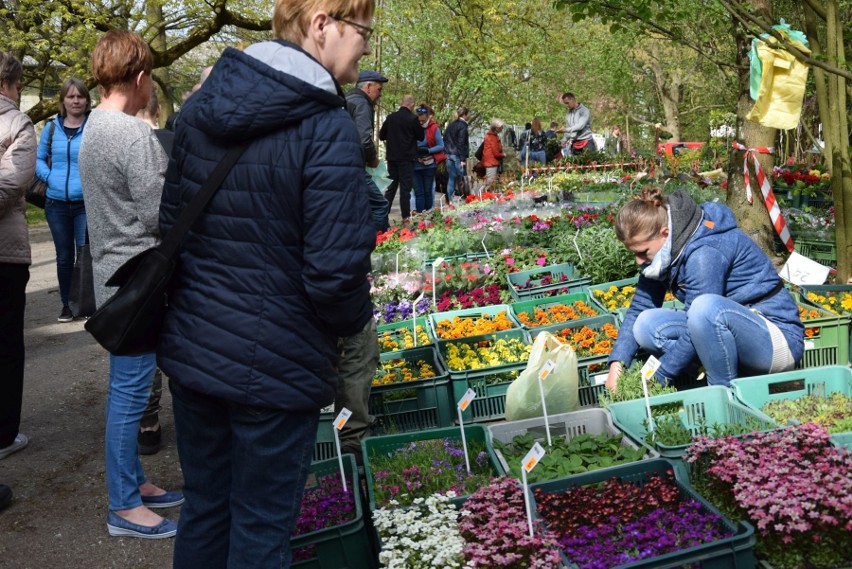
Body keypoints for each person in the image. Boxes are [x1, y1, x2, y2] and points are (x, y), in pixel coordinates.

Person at [156, 0, 377, 564]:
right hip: (276, 367)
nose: (367, 46)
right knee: (259, 527)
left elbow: (170, 227)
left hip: (196, 351)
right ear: (321, 24)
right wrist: (351, 327)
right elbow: (334, 274)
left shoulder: (200, 105)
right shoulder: (325, 126)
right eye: (362, 31)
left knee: (205, 507)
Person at [78, 29, 182, 540]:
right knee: (131, 394)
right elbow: (161, 213)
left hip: (112, 275)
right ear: (140, 78)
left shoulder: (93, 126)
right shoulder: (133, 133)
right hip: (137, 279)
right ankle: (123, 505)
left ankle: (134, 483)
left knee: (130, 388)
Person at [604, 186, 804, 390]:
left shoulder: (704, 252)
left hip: (777, 341)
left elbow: (700, 318)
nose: (638, 261)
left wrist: (658, 378)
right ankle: (723, 369)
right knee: (645, 324)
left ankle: (723, 393)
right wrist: (616, 366)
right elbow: (641, 306)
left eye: (642, 252)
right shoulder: (666, 249)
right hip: (729, 330)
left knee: (702, 309)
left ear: (665, 234)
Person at [0, 51, 37, 465]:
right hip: (5, 255)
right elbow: (12, 184)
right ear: (11, 84)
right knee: (7, 344)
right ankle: (3, 433)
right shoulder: (17, 121)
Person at [134, 87, 174, 456]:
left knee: (144, 340)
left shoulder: (114, 145)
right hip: (170, 253)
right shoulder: (169, 143)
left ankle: (148, 420)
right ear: (159, 111)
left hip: (132, 260)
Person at [35, 78, 90, 323]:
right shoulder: (51, 128)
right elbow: (38, 159)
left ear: (87, 101)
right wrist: (51, 179)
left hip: (84, 204)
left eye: (80, 96)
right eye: (71, 96)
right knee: (64, 256)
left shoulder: (92, 127)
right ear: (63, 101)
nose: (76, 101)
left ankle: (87, 303)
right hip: (56, 203)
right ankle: (66, 304)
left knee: (85, 253)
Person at [345, 69, 389, 232]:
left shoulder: (347, 99)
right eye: (379, 90)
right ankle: (379, 248)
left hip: (340, 164)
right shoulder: (363, 104)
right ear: (368, 87)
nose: (380, 95)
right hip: (353, 164)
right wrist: (373, 160)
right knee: (380, 206)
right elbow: (364, 140)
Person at [380, 94, 422, 222]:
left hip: (392, 158)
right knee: (405, 189)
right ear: (412, 104)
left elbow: (381, 135)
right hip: (407, 159)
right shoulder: (413, 119)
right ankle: (405, 217)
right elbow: (421, 136)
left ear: (402, 102)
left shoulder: (391, 118)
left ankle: (382, 216)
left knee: (391, 188)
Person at [412, 104, 445, 212]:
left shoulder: (434, 127)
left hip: (429, 165)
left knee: (427, 191)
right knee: (418, 193)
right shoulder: (413, 127)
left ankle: (428, 215)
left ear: (427, 117)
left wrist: (428, 150)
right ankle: (420, 216)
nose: (421, 123)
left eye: (423, 121)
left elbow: (441, 145)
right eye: (419, 121)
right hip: (415, 165)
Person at [443, 106, 470, 202]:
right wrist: (463, 159)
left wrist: (447, 152)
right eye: (469, 114)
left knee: (451, 178)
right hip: (458, 155)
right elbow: (461, 142)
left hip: (449, 154)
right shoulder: (462, 126)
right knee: (462, 179)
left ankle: (449, 200)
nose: (470, 116)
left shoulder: (451, 125)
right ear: (465, 115)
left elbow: (445, 139)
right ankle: (465, 200)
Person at [481, 118, 505, 185]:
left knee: (493, 182)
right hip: (491, 163)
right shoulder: (492, 137)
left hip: (491, 162)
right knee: (490, 183)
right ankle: (488, 195)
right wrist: (503, 155)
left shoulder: (492, 136)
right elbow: (496, 153)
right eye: (501, 127)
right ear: (496, 128)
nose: (502, 129)